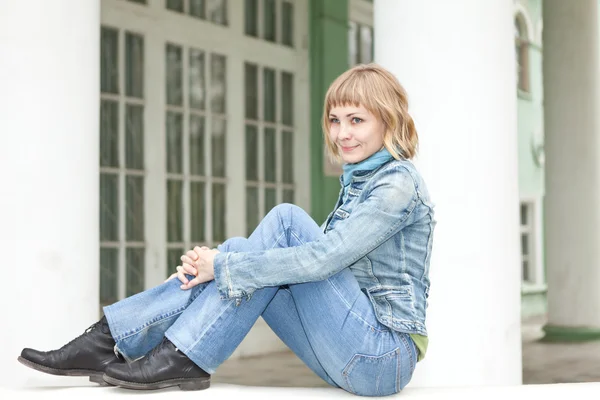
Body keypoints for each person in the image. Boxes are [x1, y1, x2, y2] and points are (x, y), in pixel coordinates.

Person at [18, 63, 435, 397]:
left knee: (283, 223)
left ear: (388, 120)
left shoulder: (397, 183)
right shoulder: (359, 183)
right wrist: (214, 270)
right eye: (334, 120)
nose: (342, 133)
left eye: (356, 120)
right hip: (348, 352)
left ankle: (152, 346)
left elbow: (324, 258)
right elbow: (300, 266)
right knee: (241, 250)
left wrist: (221, 266)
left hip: (381, 357)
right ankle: (123, 340)